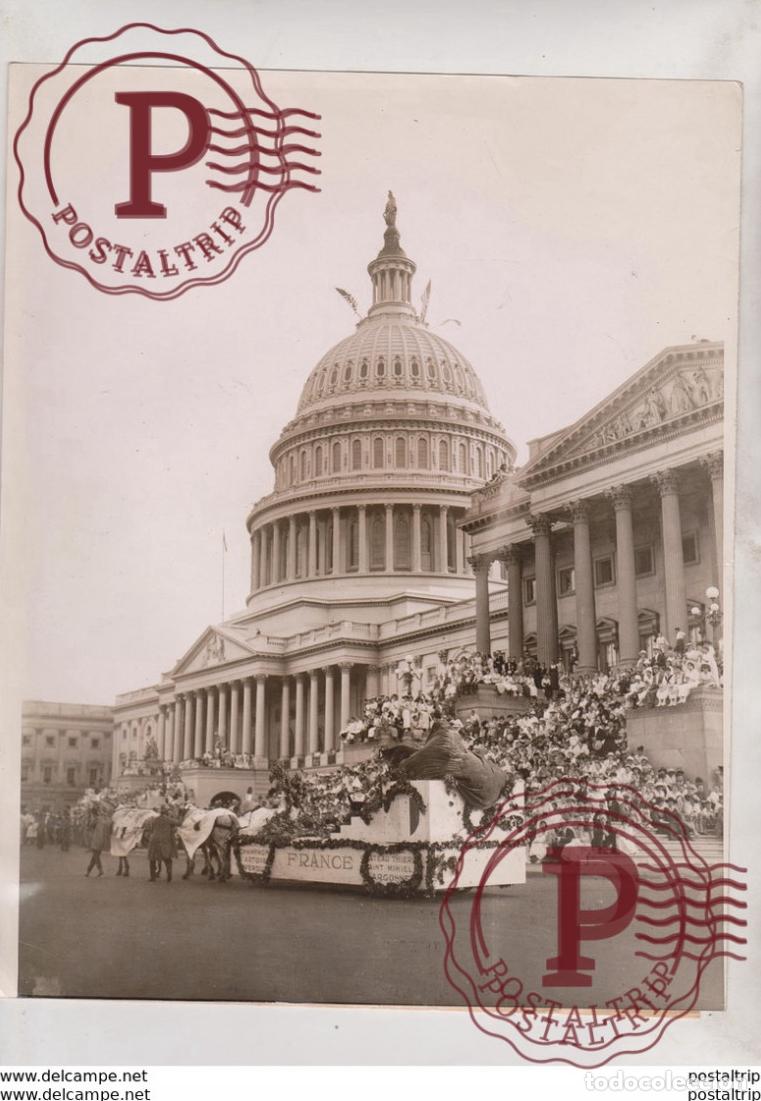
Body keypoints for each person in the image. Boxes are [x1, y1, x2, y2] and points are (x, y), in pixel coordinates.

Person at [147, 805, 177, 882]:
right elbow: (179, 823)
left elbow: (150, 828)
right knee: (167, 858)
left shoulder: (154, 820)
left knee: (152, 859)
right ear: (167, 812)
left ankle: (152, 877)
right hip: (165, 841)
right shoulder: (169, 819)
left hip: (154, 840)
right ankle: (169, 871)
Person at [85, 808, 112, 878]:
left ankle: (100, 870)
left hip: (96, 839)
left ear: (93, 814)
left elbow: (89, 826)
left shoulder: (96, 819)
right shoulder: (106, 819)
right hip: (103, 840)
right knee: (95, 856)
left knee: (95, 856)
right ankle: (88, 871)